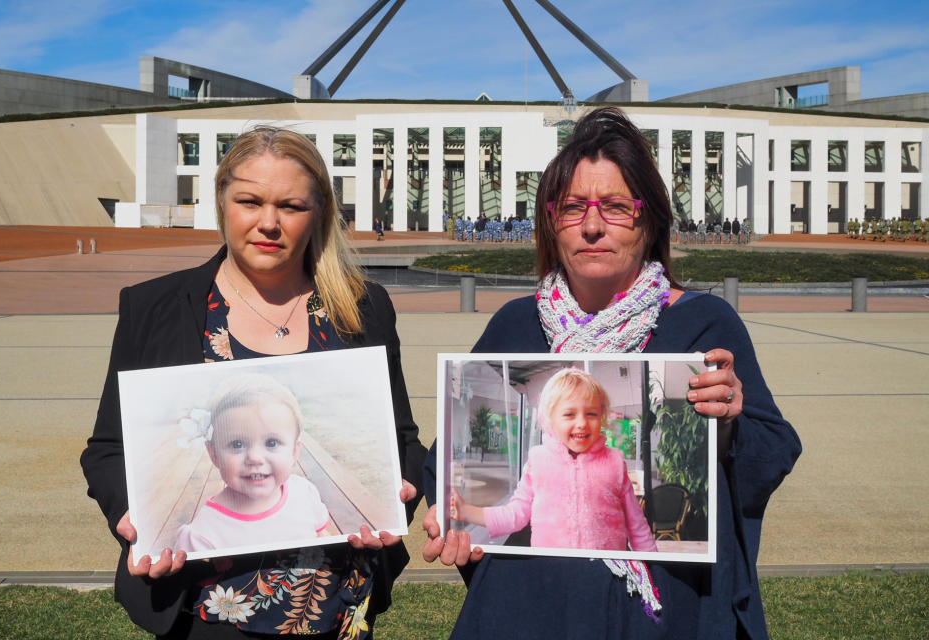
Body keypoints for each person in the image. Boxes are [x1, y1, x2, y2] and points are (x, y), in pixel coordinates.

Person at [421, 107, 800, 639]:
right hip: (529, 607)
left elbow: (772, 452)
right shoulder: (516, 324)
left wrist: (731, 420)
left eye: (616, 207)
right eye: (573, 207)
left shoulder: (703, 324)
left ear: (650, 222)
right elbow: (448, 461)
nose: (593, 225)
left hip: (662, 612)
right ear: (552, 223)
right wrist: (454, 513)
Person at [81, 126, 426, 639]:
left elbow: (401, 441)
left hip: (339, 611)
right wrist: (137, 516)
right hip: (205, 614)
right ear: (222, 202)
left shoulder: (363, 307)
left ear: (319, 213)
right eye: (249, 201)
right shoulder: (153, 308)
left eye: (290, 205)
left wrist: (393, 494)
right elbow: (108, 449)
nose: (268, 223)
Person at [450, 367, 656, 552]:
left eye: (591, 414)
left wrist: (653, 569)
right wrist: (467, 512)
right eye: (569, 414)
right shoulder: (538, 463)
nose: (582, 423)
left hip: (607, 572)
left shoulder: (614, 463)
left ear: (602, 416)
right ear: (549, 418)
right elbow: (514, 515)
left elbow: (637, 525)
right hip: (552, 570)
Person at [174, 373, 331, 553]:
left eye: (272, 443)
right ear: (214, 454)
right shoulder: (203, 535)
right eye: (237, 444)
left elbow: (322, 536)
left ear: (294, 452)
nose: (255, 458)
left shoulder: (304, 493)